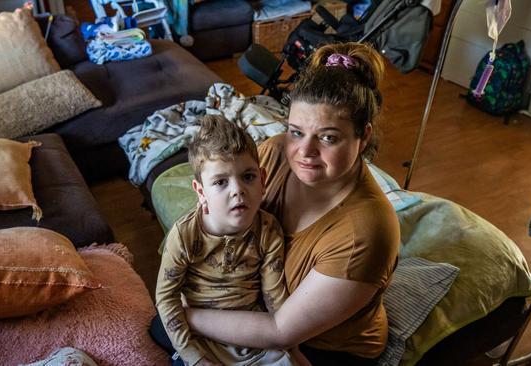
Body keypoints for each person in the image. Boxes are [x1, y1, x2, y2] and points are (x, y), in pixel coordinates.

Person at [183, 42, 400, 366]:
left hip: (328, 348)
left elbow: (282, 331)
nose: (305, 152)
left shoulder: (366, 232)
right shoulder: (274, 153)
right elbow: (212, 220)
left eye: (328, 137)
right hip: (257, 303)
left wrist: (184, 314)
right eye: (297, 132)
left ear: (363, 136)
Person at [154, 115, 299, 366]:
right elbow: (166, 298)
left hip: (251, 333)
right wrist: (195, 358)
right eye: (220, 182)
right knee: (163, 332)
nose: (237, 190)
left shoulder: (268, 228)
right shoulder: (185, 235)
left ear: (263, 180)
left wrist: (292, 348)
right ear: (201, 192)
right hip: (201, 338)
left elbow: (275, 297)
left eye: (248, 177)